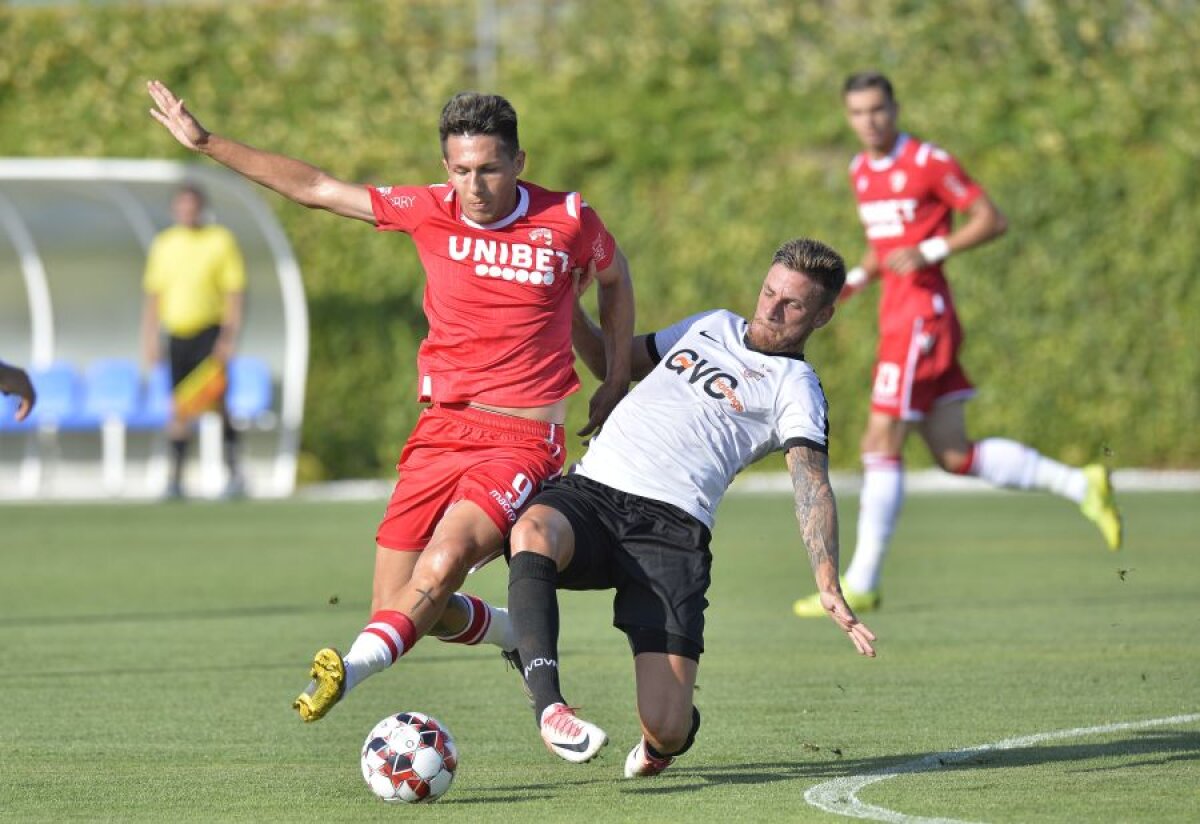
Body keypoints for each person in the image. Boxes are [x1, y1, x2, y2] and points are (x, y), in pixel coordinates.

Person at [147, 81, 636, 722]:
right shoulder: (426, 208)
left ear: (520, 162)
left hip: (520, 441)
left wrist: (616, 375)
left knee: (445, 558)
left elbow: (614, 276)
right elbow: (316, 188)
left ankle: (348, 671)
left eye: (489, 168)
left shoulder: (569, 218)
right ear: (445, 168)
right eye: (461, 170)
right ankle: (517, 632)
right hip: (438, 432)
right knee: (400, 605)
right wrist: (208, 143)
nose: (475, 185)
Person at [506, 238, 876, 778]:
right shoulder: (713, 325)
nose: (769, 309)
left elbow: (812, 485)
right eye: (768, 291)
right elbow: (616, 362)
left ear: (823, 315)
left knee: (667, 726)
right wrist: (566, 307)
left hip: (671, 533)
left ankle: (664, 740)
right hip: (595, 492)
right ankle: (551, 707)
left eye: (791, 304)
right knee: (533, 529)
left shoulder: (797, 387)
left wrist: (827, 581)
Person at [793, 72, 1122, 619]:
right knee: (953, 453)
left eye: (877, 109)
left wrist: (933, 249)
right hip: (899, 312)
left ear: (895, 108)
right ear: (847, 116)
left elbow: (991, 218)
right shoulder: (859, 172)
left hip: (922, 316)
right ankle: (1080, 483)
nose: (868, 121)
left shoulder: (927, 161)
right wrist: (848, 282)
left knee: (881, 437)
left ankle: (862, 582)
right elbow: (884, 247)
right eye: (857, 112)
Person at [140, 183, 247, 500]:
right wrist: (149, 338)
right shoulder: (164, 244)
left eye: (192, 206)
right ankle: (175, 476)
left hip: (210, 333)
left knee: (217, 401)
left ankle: (234, 472)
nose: (187, 212)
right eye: (182, 207)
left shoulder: (219, 241)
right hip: (177, 334)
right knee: (180, 408)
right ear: (175, 210)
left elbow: (234, 292)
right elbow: (153, 295)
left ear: (201, 208)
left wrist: (229, 337)